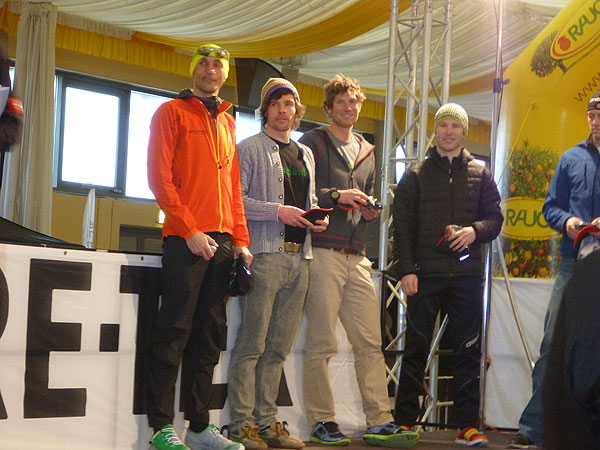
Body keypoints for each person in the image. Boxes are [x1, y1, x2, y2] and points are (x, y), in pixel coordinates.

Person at [299, 73, 419, 449]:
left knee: (370, 343)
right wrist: (337, 195)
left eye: (353, 102)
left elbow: (365, 198)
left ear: (359, 106)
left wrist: (370, 211)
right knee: (321, 343)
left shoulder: (367, 149)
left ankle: (380, 421)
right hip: (323, 252)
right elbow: (302, 191)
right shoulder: (313, 141)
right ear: (329, 108)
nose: (348, 107)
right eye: (341, 102)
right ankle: (322, 421)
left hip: (358, 256)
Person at [146, 44, 252, 450]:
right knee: (173, 332)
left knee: (209, 336)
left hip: (223, 242)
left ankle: (199, 425)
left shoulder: (227, 120)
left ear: (225, 74)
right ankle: (160, 427)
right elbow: (159, 179)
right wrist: (189, 230)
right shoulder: (170, 112)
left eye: (217, 65)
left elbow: (233, 188)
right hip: (184, 240)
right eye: (203, 63)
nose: (210, 70)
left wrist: (240, 240)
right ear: (193, 70)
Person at [392, 103, 503, 447]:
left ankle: (467, 426)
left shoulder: (482, 175)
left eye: (455, 126)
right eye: (444, 126)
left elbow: (495, 220)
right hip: (425, 276)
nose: (449, 132)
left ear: (464, 131)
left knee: (468, 352)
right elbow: (402, 229)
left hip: (467, 277)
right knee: (416, 349)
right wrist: (406, 270)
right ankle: (404, 421)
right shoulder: (415, 174)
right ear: (436, 130)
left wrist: (474, 231)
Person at [226, 78, 328, 450]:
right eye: (276, 103)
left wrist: (318, 217)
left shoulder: (306, 153)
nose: (283, 110)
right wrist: (278, 211)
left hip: (300, 258)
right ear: (265, 110)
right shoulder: (248, 148)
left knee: (278, 348)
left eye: (289, 104)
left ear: (297, 111)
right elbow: (235, 200)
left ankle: (266, 423)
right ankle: (241, 425)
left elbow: (309, 197)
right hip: (265, 255)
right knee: (252, 344)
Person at [507, 88, 600, 449]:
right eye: (592, 115)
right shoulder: (570, 158)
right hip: (573, 262)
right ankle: (536, 428)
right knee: (554, 343)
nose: (596, 121)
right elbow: (550, 207)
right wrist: (568, 222)